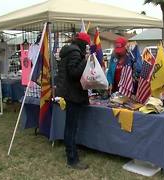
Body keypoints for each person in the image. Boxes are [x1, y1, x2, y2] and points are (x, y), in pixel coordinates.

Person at [55, 32, 91, 170]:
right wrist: (85, 61)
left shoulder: (69, 51)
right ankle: (72, 158)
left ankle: (71, 151)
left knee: (70, 126)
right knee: (71, 127)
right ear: (82, 43)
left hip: (70, 93)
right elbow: (74, 73)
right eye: (86, 45)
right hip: (73, 95)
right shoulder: (75, 53)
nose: (87, 48)